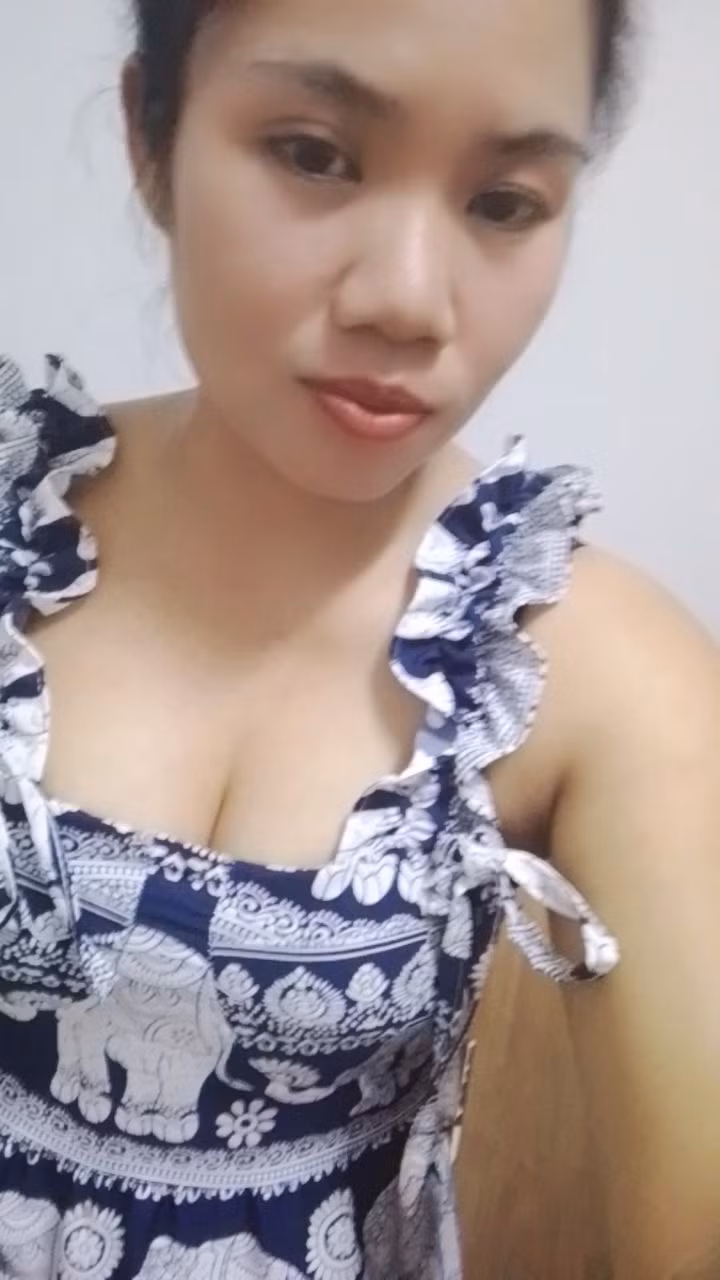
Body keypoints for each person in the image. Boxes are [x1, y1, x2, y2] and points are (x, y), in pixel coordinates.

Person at [0, 0, 717, 1276]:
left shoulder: (596, 671)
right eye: (314, 154)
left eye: (502, 202)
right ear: (151, 136)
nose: (409, 302)